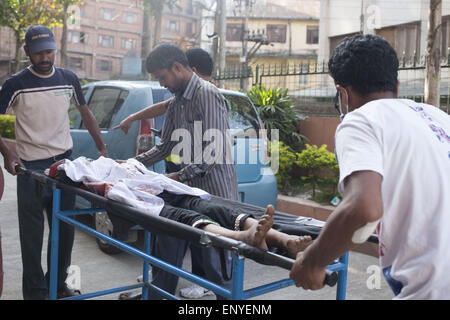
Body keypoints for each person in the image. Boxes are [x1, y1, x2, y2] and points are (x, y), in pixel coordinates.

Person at [289, 34, 450, 299]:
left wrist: (313, 262)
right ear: (396, 85)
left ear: (342, 93)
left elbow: (364, 208)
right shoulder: (439, 118)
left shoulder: (360, 121)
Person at [116, 44, 238, 299]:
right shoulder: (176, 102)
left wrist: (175, 177)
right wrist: (133, 164)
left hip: (215, 196)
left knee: (218, 271)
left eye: (162, 77)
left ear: (178, 68)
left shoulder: (207, 94)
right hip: (189, 195)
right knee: (179, 251)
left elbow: (214, 151)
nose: (162, 84)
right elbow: (166, 147)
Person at [0, 25, 108, 300]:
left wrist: (102, 148)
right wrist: (8, 153)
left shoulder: (69, 78)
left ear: (55, 49)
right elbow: (3, 123)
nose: (45, 57)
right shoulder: (15, 84)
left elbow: (87, 113)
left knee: (65, 232)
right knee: (32, 238)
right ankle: (36, 294)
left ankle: (58, 286)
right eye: (38, 53)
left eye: (49, 51)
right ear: (27, 52)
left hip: (64, 167)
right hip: (31, 170)